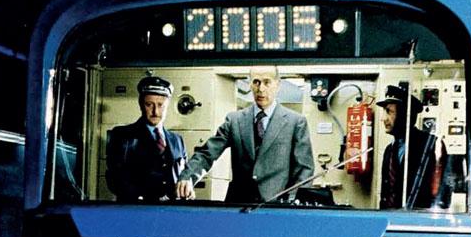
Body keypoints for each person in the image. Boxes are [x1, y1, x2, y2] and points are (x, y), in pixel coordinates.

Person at [176, 67, 315, 203]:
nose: (261, 89)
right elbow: (207, 153)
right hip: (238, 206)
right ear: (250, 84)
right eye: (256, 82)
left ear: (277, 85)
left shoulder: (296, 122)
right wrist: (187, 177)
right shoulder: (234, 120)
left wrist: (291, 202)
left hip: (278, 207)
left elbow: (304, 170)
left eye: (267, 82)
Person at [105, 76, 188, 201]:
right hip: (136, 210)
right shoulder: (123, 136)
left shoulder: (177, 140)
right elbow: (114, 178)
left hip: (170, 210)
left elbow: (183, 175)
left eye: (161, 105)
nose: (155, 111)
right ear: (141, 105)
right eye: (149, 105)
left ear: (168, 106)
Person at [376, 84, 456, 210]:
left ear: (405, 115)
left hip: (420, 222)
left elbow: (442, 195)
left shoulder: (431, 145)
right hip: (392, 221)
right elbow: (386, 195)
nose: (383, 119)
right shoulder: (389, 150)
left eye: (389, 111)